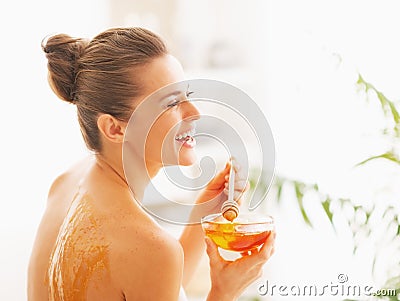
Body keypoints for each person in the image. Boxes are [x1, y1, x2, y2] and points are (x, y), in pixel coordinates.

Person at [28, 27, 275, 301]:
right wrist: (224, 292)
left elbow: (148, 285)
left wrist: (201, 213)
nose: (194, 113)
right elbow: (151, 267)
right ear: (114, 128)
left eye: (187, 95)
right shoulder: (149, 247)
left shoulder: (66, 183)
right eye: (171, 103)